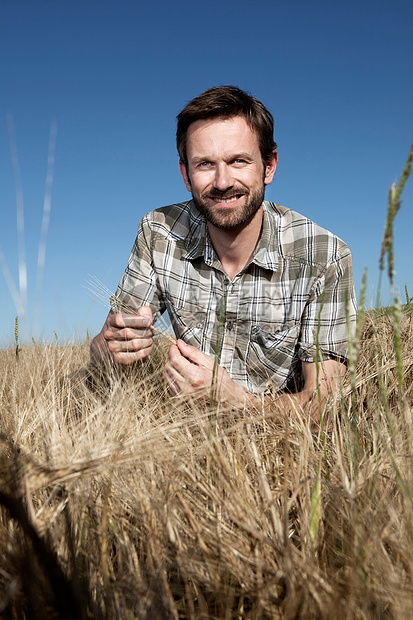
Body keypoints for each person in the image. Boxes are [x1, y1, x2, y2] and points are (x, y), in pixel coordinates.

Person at [90, 86, 356, 422]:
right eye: (205, 164)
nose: (222, 181)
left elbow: (325, 404)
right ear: (186, 174)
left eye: (238, 161)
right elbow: (104, 351)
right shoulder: (158, 232)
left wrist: (234, 400)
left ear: (269, 166)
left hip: (281, 450)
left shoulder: (325, 257)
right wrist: (110, 348)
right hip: (181, 440)